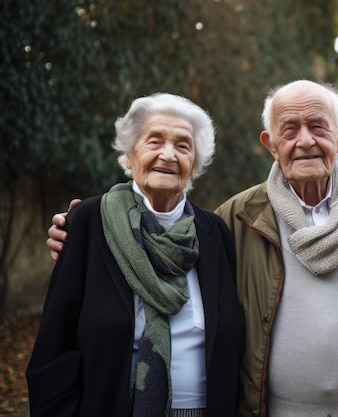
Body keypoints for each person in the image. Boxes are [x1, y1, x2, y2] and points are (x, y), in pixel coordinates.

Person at [46, 80, 338, 416]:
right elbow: (54, 350)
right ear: (270, 143)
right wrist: (70, 232)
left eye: (318, 126)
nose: (305, 141)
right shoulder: (235, 220)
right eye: (154, 142)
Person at [28, 93, 245, 417]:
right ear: (129, 156)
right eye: (154, 141)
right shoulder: (89, 223)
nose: (168, 155)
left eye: (183, 146)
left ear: (196, 164)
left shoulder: (213, 233)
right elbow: (54, 350)